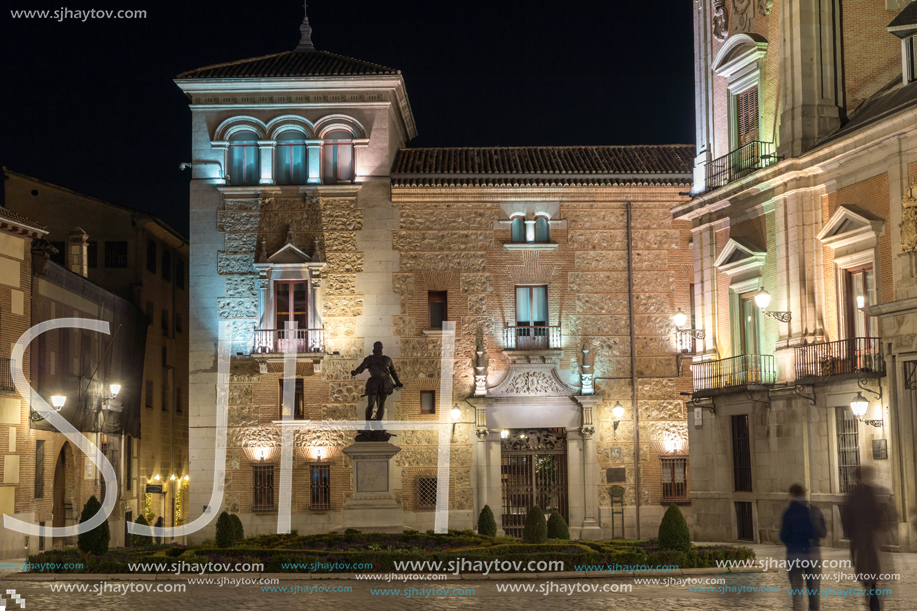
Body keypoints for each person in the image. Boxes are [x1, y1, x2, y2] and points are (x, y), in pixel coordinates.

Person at [844, 466, 883, 611]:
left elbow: (847, 521)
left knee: (864, 569)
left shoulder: (853, 496)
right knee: (871, 571)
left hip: (858, 539)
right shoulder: (870, 493)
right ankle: (873, 598)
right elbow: (877, 516)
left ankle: (870, 598)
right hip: (870, 537)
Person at [780, 484, 817, 611]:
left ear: (793, 495)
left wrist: (789, 541)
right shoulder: (808, 511)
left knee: (796, 588)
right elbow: (812, 532)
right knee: (810, 586)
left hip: (793, 553)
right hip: (806, 552)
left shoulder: (789, 512)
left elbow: (783, 535)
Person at [351, 341, 403, 422]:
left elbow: (393, 372)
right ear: (374, 348)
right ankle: (368, 425)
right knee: (370, 404)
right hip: (374, 383)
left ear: (382, 348)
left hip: (385, 383)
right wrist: (356, 372)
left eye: (380, 347)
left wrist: (398, 382)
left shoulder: (387, 359)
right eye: (377, 347)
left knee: (381, 404)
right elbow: (361, 367)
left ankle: (378, 424)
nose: (379, 349)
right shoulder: (369, 359)